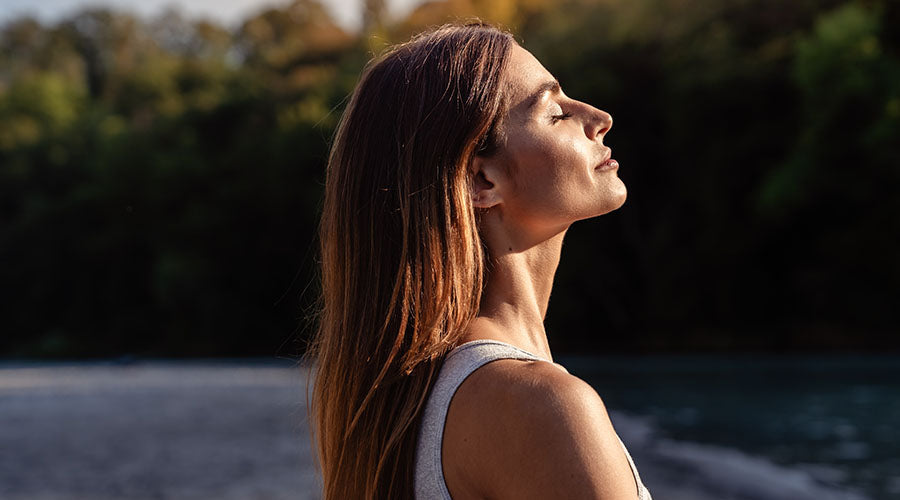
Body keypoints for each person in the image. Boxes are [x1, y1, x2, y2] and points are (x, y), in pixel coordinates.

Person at [308, 22, 652, 499]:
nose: (598, 116)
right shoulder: (542, 407)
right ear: (480, 180)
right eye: (553, 112)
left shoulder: (407, 411)